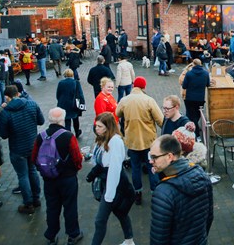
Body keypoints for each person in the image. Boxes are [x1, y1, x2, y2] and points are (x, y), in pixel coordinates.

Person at [32, 107, 84, 245]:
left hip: (49, 180)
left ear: (49, 119)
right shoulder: (68, 136)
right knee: (70, 206)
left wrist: (44, 171)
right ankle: (73, 234)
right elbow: (76, 158)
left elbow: (34, 158)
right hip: (67, 178)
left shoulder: (41, 136)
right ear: (62, 119)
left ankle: (51, 235)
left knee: (52, 207)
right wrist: (76, 169)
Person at [149, 135, 214, 245]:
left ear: (170, 156)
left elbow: (159, 239)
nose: (151, 161)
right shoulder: (202, 174)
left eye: (154, 157)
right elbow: (209, 217)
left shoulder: (162, 193)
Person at [0, 85, 45, 214]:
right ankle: (36, 198)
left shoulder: (6, 113)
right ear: (18, 93)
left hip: (18, 149)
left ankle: (28, 203)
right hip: (33, 145)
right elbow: (41, 121)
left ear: (7, 97)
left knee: (23, 175)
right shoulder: (32, 104)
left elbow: (4, 134)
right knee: (32, 171)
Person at [89, 113, 135, 245]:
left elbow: (114, 169)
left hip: (116, 186)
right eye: (96, 125)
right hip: (107, 184)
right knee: (120, 213)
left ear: (107, 127)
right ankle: (129, 240)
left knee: (100, 220)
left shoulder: (115, 142)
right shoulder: (102, 138)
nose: (96, 128)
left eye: (99, 126)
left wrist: (109, 196)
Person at [116, 76, 163, 205]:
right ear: (144, 87)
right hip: (148, 140)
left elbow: (117, 113)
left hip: (132, 141)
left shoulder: (124, 100)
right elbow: (160, 120)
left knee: (135, 168)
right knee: (152, 166)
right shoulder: (149, 100)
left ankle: (138, 193)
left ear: (133, 86)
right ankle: (155, 192)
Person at [182, 59, 210, 138]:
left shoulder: (189, 74)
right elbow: (208, 84)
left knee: (190, 115)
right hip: (200, 99)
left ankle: (195, 133)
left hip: (189, 98)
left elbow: (184, 86)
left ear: (193, 64)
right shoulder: (205, 73)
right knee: (197, 115)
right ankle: (194, 129)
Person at [56, 69, 85, 137]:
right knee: (75, 119)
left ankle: (68, 135)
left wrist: (60, 101)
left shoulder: (61, 83)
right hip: (74, 104)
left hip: (63, 104)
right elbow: (80, 94)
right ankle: (77, 132)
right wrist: (82, 103)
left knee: (67, 121)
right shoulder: (76, 82)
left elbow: (58, 94)